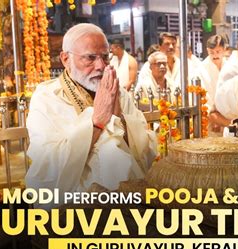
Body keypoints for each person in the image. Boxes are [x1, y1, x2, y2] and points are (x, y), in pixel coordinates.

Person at [25, 23, 157, 208]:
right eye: (90, 58)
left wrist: (121, 121)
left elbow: (144, 149)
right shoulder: (47, 97)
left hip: (126, 200)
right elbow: (48, 163)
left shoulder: (117, 91)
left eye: (105, 57)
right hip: (74, 205)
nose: (100, 66)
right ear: (65, 59)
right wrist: (96, 122)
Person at [201, 34, 227, 111]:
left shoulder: (230, 66)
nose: (215, 55)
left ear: (224, 49)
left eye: (218, 51)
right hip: (211, 112)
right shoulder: (201, 69)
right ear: (207, 50)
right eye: (211, 52)